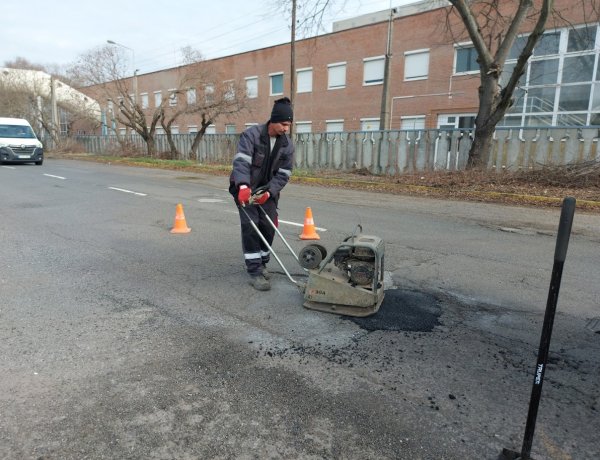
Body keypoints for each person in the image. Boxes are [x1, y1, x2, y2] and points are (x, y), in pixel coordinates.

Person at [229, 97, 295, 291]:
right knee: (251, 226)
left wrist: (270, 192)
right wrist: (242, 187)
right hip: (245, 188)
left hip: (267, 191)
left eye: (289, 125)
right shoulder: (252, 135)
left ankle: (263, 262)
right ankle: (255, 271)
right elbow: (241, 162)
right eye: (283, 124)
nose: (286, 129)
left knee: (268, 225)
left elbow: (284, 173)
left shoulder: (287, 145)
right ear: (274, 120)